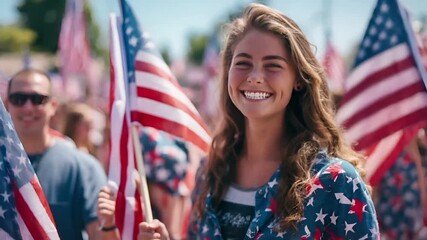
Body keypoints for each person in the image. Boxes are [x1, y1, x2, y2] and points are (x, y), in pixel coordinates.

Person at [138, 3, 379, 239]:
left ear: (297, 79)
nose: (254, 77)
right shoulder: (209, 173)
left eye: (272, 65)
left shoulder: (334, 180)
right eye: (243, 63)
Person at [5, 68, 107, 240]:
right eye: (19, 99)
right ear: (7, 105)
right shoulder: (2, 163)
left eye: (37, 99)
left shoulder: (83, 167)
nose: (28, 107)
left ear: (53, 106)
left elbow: (100, 233)